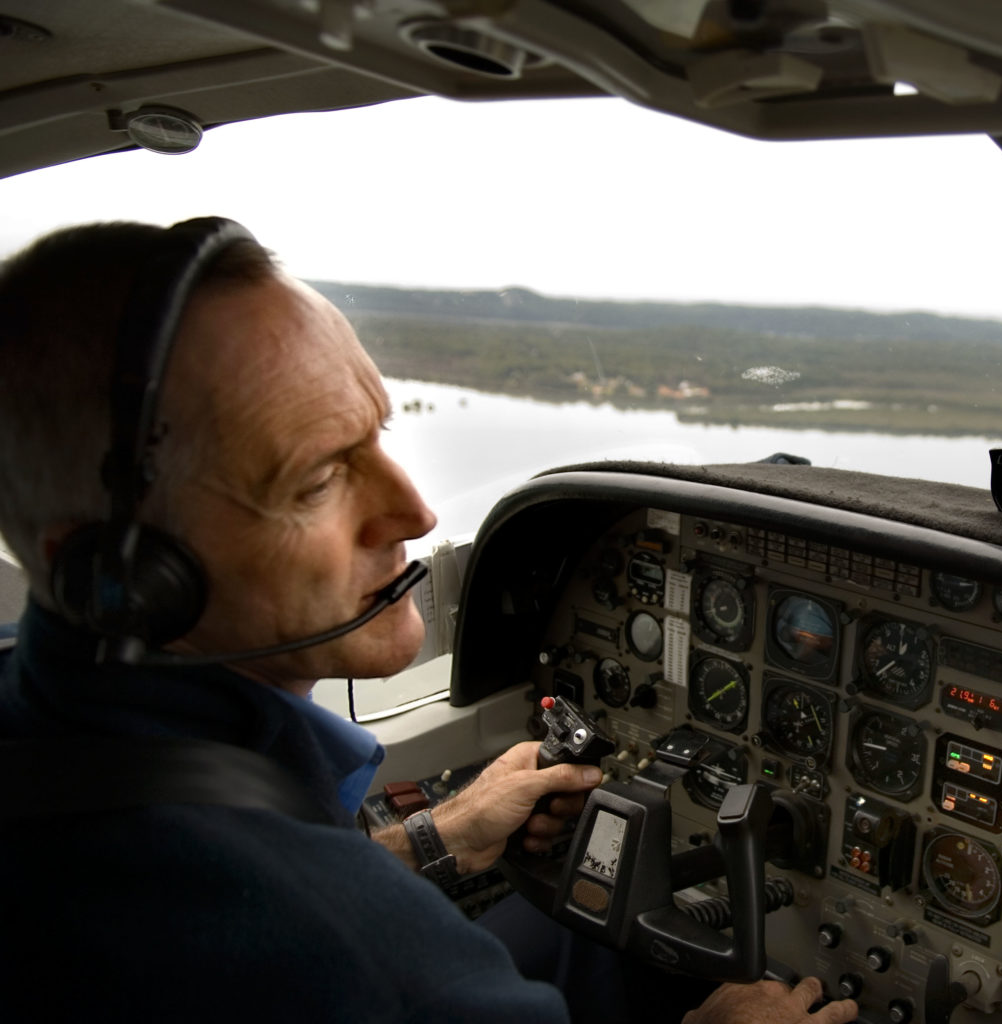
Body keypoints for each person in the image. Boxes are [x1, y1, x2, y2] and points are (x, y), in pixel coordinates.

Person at [0, 220, 860, 1024]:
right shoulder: (367, 962)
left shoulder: (36, 704)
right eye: (317, 480)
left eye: (378, 430)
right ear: (124, 576)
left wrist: (434, 839)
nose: (412, 512)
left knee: (586, 934)